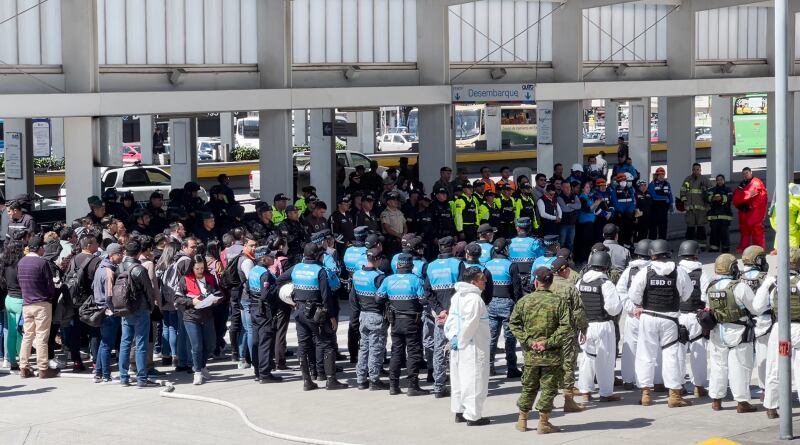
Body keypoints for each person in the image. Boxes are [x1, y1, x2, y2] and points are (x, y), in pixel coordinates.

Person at [627, 239, 693, 408]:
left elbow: (634, 295)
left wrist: (641, 304)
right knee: (671, 355)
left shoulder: (645, 272)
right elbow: (686, 295)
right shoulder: (679, 272)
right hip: (670, 318)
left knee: (646, 355)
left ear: (652, 255)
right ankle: (674, 395)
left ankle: (646, 394)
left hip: (648, 316)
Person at [509, 267, 571, 434]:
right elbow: (566, 327)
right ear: (550, 283)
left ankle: (522, 420)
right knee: (549, 389)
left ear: (536, 282)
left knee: (529, 387)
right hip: (552, 356)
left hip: (531, 355)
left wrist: (529, 341)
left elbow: (513, 324)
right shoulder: (559, 302)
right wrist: (548, 343)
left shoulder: (524, 301)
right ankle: (543, 422)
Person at [277, 243, 346, 391]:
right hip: (316, 313)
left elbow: (280, 279)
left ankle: (307, 381)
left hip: (299, 311)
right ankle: (331, 380)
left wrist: (291, 297)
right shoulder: (320, 271)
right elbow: (326, 296)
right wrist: (332, 316)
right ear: (317, 256)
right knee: (326, 344)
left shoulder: (296, 268)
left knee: (303, 345)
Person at [706, 253, 760, 413]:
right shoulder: (740, 287)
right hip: (738, 332)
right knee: (740, 366)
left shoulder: (711, 286)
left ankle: (716, 400)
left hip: (717, 331)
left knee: (718, 366)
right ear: (733, 268)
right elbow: (755, 307)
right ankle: (742, 402)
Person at [377, 253, 430, 396]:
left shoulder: (388, 280)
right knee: (413, 352)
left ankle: (393, 386)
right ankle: (413, 386)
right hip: (412, 321)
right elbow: (423, 300)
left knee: (396, 352)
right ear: (411, 266)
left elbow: (378, 298)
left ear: (397, 265)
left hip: (395, 321)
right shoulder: (416, 280)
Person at [445, 267, 491, 426]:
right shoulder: (474, 299)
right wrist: (462, 340)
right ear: (473, 282)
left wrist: (453, 337)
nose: (485, 282)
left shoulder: (457, 296)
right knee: (474, 380)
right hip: (473, 346)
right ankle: (473, 416)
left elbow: (451, 320)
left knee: (458, 379)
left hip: (458, 345)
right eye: (481, 279)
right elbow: (470, 324)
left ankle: (459, 411)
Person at [576, 251, 622, 402]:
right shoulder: (605, 284)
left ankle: (585, 391)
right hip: (603, 325)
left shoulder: (580, 282)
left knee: (586, 359)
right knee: (605, 360)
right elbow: (613, 308)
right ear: (606, 266)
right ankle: (605, 393)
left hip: (585, 326)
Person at [760, 248, 800, 419]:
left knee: (774, 368)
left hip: (778, 329)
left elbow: (757, 305)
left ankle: (771, 406)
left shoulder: (772, 281)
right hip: (798, 329)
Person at [424, 237, 464, 397]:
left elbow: (428, 291)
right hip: (456, 313)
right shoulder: (458, 264)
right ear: (453, 247)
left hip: (439, 314)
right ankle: (459, 386)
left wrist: (440, 310)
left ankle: (439, 386)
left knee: (439, 349)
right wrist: (450, 310)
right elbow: (462, 287)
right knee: (459, 347)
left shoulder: (430, 266)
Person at [548, 256, 588, 413]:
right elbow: (578, 311)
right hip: (567, 332)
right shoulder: (570, 287)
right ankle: (568, 400)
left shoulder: (544, 285)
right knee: (568, 365)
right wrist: (584, 329)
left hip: (549, 332)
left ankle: (549, 400)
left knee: (551, 366)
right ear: (563, 270)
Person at [117, 240, 158, 388]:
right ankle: (141, 378)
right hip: (141, 309)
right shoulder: (139, 269)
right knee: (141, 343)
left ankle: (123, 377)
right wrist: (151, 306)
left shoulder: (119, 267)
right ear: (139, 252)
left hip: (124, 308)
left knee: (125, 342)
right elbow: (148, 290)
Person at [16, 235, 58, 379]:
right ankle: (43, 368)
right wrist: (50, 296)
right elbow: (50, 285)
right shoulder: (42, 263)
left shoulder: (21, 262)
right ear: (40, 248)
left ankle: (24, 367)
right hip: (42, 303)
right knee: (41, 337)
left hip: (27, 303)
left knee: (27, 336)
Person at [484, 238, 523, 377]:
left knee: (491, 337)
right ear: (505, 249)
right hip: (508, 303)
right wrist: (518, 303)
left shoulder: (486, 265)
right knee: (510, 337)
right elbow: (517, 288)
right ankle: (511, 368)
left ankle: (489, 367)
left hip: (491, 303)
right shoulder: (511, 265)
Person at [350, 248, 388, 390]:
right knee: (376, 349)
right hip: (376, 315)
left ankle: (361, 379)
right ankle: (374, 379)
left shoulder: (357, 275)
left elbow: (353, 298)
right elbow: (383, 297)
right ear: (378, 260)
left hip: (363, 315)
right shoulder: (379, 277)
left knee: (364, 348)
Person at [738, 245, 774, 398]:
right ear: (758, 260)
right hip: (763, 322)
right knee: (764, 357)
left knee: (741, 360)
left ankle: (741, 390)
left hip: (741, 322)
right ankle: (765, 390)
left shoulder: (737, 277)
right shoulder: (765, 278)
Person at [676, 240, 709, 397]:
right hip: (697, 316)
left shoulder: (675, 272)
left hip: (678, 316)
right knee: (699, 352)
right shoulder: (702, 273)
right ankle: (698, 386)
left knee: (678, 352)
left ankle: (679, 385)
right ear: (696, 255)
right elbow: (706, 297)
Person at [616, 239, 651, 389]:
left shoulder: (629, 270)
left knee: (630, 348)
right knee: (650, 349)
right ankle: (650, 380)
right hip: (650, 315)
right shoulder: (654, 270)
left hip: (633, 316)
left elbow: (620, 291)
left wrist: (631, 308)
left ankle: (628, 379)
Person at [246, 247, 282, 383]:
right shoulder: (265, 274)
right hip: (263, 310)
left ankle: (257, 372)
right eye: (270, 256)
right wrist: (276, 287)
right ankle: (265, 374)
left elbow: (248, 289)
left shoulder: (253, 271)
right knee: (265, 342)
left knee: (256, 342)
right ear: (263, 258)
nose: (273, 258)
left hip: (254, 308)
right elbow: (266, 294)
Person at [92, 243, 123, 383]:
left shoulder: (100, 268)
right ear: (112, 255)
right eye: (119, 253)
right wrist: (114, 311)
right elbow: (109, 295)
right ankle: (106, 375)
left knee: (103, 343)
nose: (121, 256)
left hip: (99, 309)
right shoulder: (109, 271)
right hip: (108, 311)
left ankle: (98, 373)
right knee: (107, 344)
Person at [733, 167, 768, 252]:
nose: (745, 175)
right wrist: (739, 205)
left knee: (757, 231)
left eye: (747, 173)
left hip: (753, 212)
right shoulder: (742, 184)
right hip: (745, 212)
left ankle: (758, 249)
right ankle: (743, 248)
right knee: (745, 231)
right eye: (744, 173)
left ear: (751, 172)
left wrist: (751, 206)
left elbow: (761, 197)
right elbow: (737, 196)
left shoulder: (756, 182)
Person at [679, 163, 711, 250]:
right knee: (690, 227)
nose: (696, 171)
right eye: (694, 169)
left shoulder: (704, 180)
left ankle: (702, 246)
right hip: (690, 209)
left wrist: (708, 205)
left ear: (700, 170)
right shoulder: (687, 179)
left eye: (698, 169)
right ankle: (689, 246)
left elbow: (711, 192)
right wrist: (685, 202)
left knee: (701, 227)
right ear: (692, 170)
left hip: (701, 209)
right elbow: (683, 191)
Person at [508, 217, 543, 292]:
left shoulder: (510, 242)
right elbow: (541, 259)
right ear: (530, 228)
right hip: (530, 280)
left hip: (513, 278)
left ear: (517, 228)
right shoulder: (535, 242)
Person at [575, 180, 600, 263]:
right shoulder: (582, 197)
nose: (588, 188)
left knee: (589, 241)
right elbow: (587, 209)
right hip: (585, 223)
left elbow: (593, 209)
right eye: (586, 187)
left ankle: (587, 258)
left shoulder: (589, 196)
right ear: (582, 189)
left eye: (589, 187)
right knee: (584, 241)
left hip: (590, 222)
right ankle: (583, 259)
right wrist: (596, 204)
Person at [610, 173, 637, 247]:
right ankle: (621, 246)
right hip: (620, 215)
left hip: (629, 214)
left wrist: (630, 210)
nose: (623, 182)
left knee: (630, 230)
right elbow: (615, 203)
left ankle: (628, 245)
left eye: (624, 180)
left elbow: (634, 201)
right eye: (621, 180)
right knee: (621, 231)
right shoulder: (614, 191)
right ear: (618, 182)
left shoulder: (630, 190)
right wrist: (622, 211)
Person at [648, 167, 673, 240]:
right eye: (659, 174)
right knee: (653, 230)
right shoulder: (652, 184)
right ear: (656, 175)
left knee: (663, 229)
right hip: (654, 210)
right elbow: (654, 196)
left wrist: (672, 204)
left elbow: (670, 194)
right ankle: (652, 245)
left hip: (664, 211)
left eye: (663, 174)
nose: (661, 176)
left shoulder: (667, 184)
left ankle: (662, 245)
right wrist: (666, 198)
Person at [380, 192, 407, 256]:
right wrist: (400, 236)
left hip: (401, 240)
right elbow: (387, 229)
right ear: (388, 202)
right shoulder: (385, 213)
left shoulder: (399, 212)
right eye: (393, 200)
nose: (396, 201)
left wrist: (403, 235)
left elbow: (405, 226)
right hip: (391, 241)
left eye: (396, 200)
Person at [557, 181, 580, 251]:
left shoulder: (574, 195)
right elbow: (564, 209)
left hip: (572, 224)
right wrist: (573, 207)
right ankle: (561, 259)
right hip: (563, 224)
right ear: (562, 188)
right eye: (566, 187)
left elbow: (579, 206)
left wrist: (569, 205)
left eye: (569, 187)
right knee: (562, 242)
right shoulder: (559, 197)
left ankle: (570, 259)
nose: (568, 188)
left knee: (571, 243)